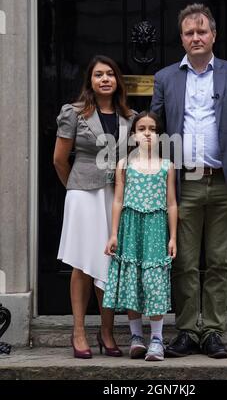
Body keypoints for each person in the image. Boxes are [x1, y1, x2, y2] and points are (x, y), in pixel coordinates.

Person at [151, 3, 227, 359]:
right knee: (182, 260)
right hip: (183, 183)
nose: (195, 38)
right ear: (181, 39)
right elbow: (153, 129)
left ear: (214, 35)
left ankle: (212, 331)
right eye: (189, 33)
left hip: (225, 181)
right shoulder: (166, 78)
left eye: (202, 31)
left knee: (218, 259)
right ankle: (186, 331)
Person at [53, 54, 135, 358]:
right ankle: (78, 331)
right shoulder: (74, 113)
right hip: (82, 194)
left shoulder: (130, 116)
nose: (104, 79)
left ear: (117, 81)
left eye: (110, 74)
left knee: (109, 264)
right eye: (98, 74)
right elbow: (60, 160)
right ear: (90, 80)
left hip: (115, 196)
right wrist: (75, 188)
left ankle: (106, 331)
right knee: (82, 263)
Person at [102, 111, 177, 361]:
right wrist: (113, 234)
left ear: (160, 136)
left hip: (156, 229)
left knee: (154, 280)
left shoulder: (167, 166)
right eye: (142, 128)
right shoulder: (125, 164)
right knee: (133, 279)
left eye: (153, 129)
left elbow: (172, 203)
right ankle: (136, 337)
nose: (147, 133)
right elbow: (118, 200)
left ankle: (156, 339)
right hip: (130, 228)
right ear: (133, 134)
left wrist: (173, 237)